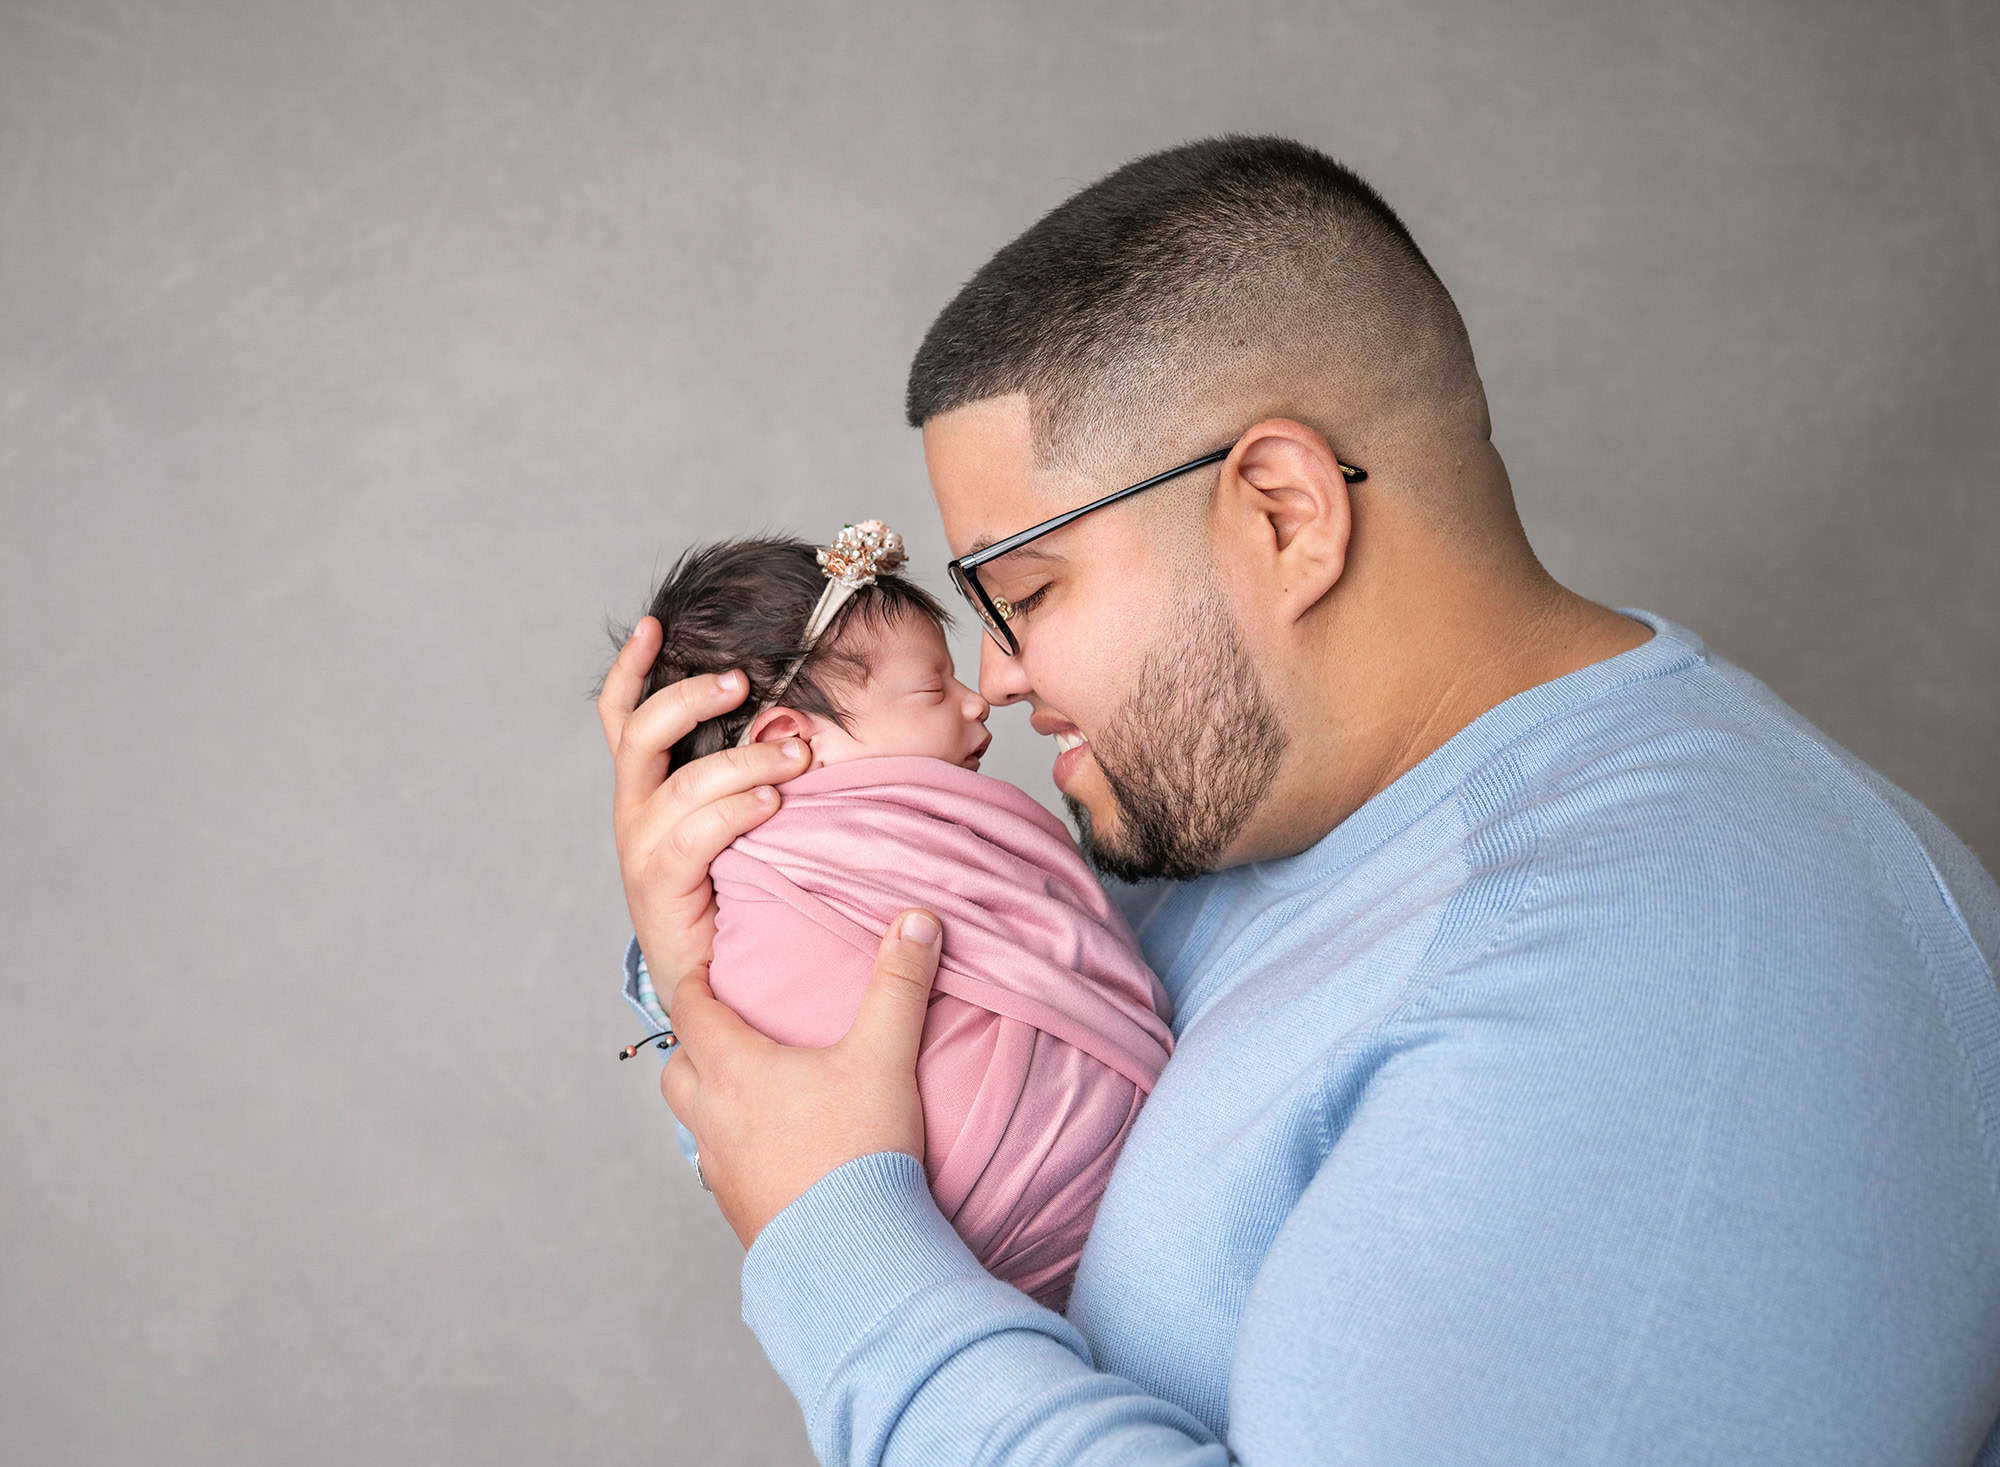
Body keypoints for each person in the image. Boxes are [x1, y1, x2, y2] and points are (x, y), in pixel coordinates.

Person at [597, 135, 2000, 1464]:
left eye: (1027, 592)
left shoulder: (1678, 976)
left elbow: (839, 1185)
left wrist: (843, 1252)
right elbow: (892, 1089)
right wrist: (728, 902)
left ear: (1283, 511)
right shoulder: (1243, 821)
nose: (1001, 677)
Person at [609, 528, 1173, 1310]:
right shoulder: (768, 878)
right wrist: (681, 975)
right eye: (934, 688)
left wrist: (680, 983)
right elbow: (758, 1110)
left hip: (943, 1249)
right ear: (787, 743)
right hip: (986, 1208)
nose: (980, 697)